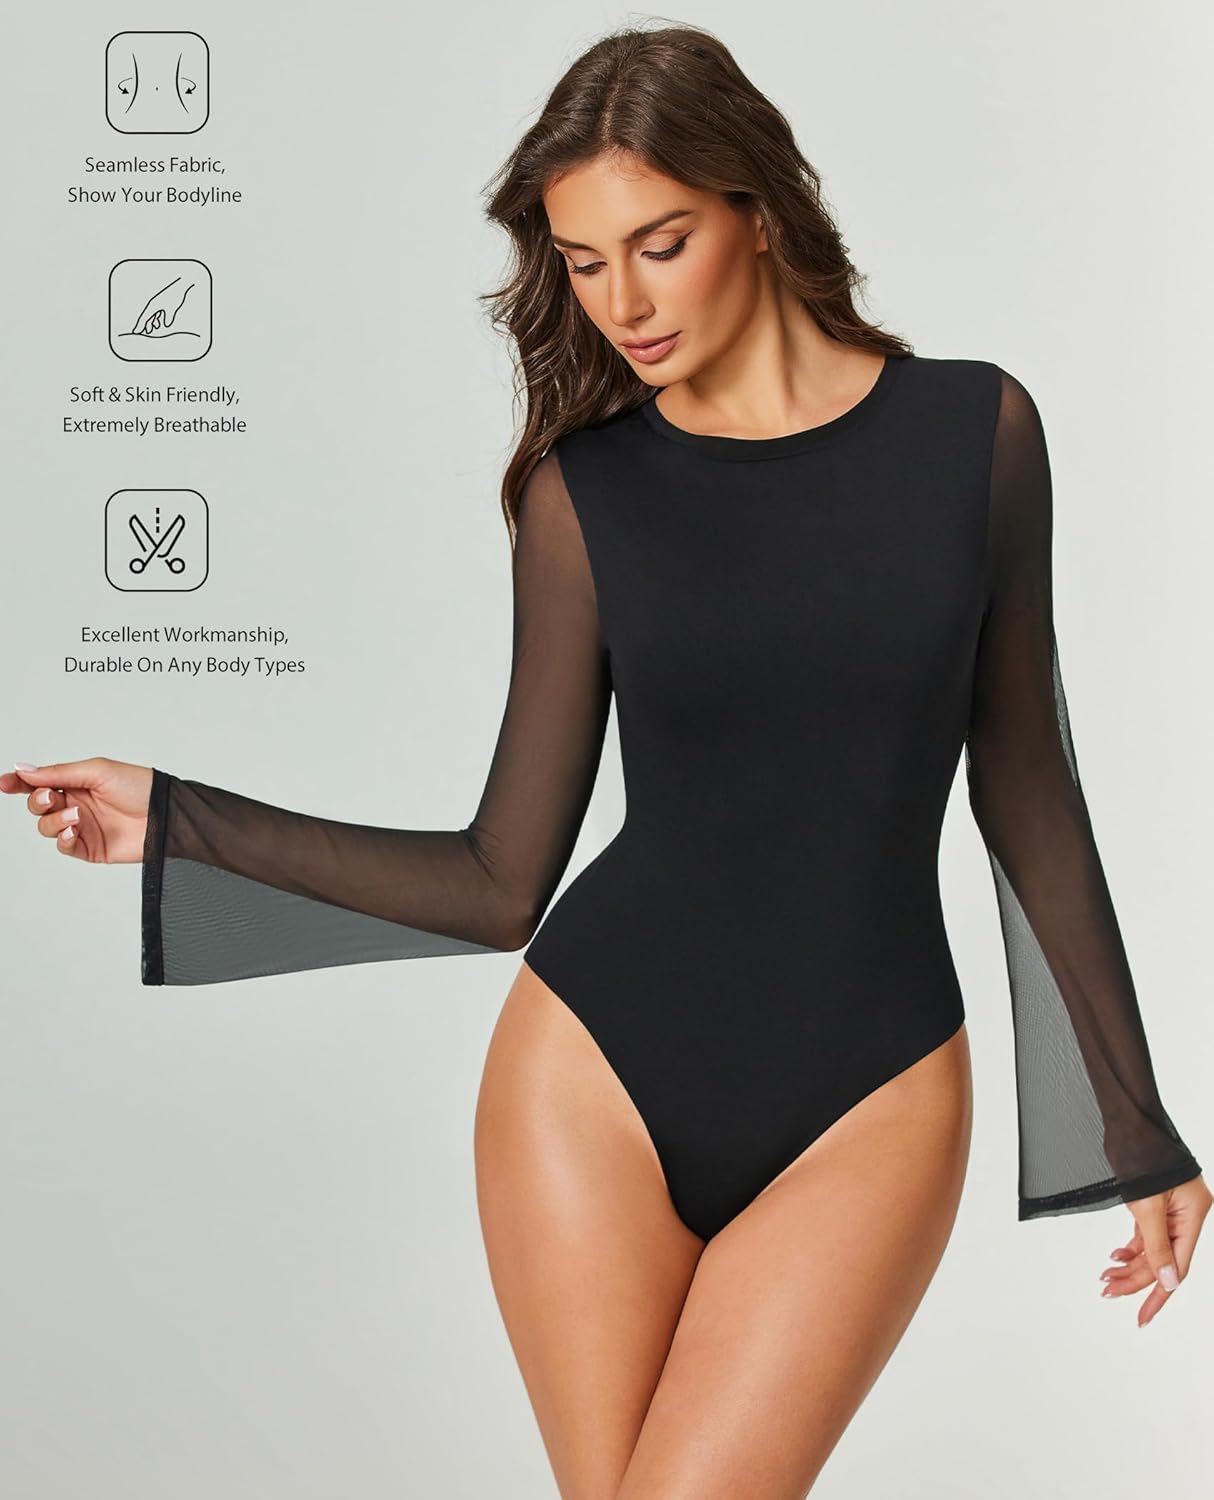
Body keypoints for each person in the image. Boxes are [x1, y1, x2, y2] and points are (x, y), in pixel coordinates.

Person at [6, 23, 1208, 1499]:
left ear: (756, 210)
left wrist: (1133, 1124)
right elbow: (501, 879)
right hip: (593, 1076)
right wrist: (180, 820)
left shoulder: (976, 431)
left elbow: (1025, 786)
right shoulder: (586, 494)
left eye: (660, 243)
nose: (622, 302)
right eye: (582, 262)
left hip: (876, 1089)